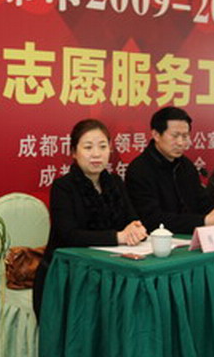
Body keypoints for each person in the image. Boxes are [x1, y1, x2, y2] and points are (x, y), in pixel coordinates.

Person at [33, 119, 147, 317]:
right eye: (88, 147)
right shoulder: (63, 187)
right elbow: (69, 235)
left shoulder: (115, 182)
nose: (96, 154)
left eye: (102, 147)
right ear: (74, 152)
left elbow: (132, 219)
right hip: (68, 274)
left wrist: (137, 229)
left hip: (110, 270)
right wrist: (119, 237)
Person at [125, 106, 214, 234]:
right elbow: (151, 220)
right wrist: (204, 221)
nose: (180, 142)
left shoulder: (186, 166)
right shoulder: (139, 170)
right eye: (175, 136)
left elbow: (203, 203)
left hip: (190, 237)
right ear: (156, 135)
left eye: (185, 136)